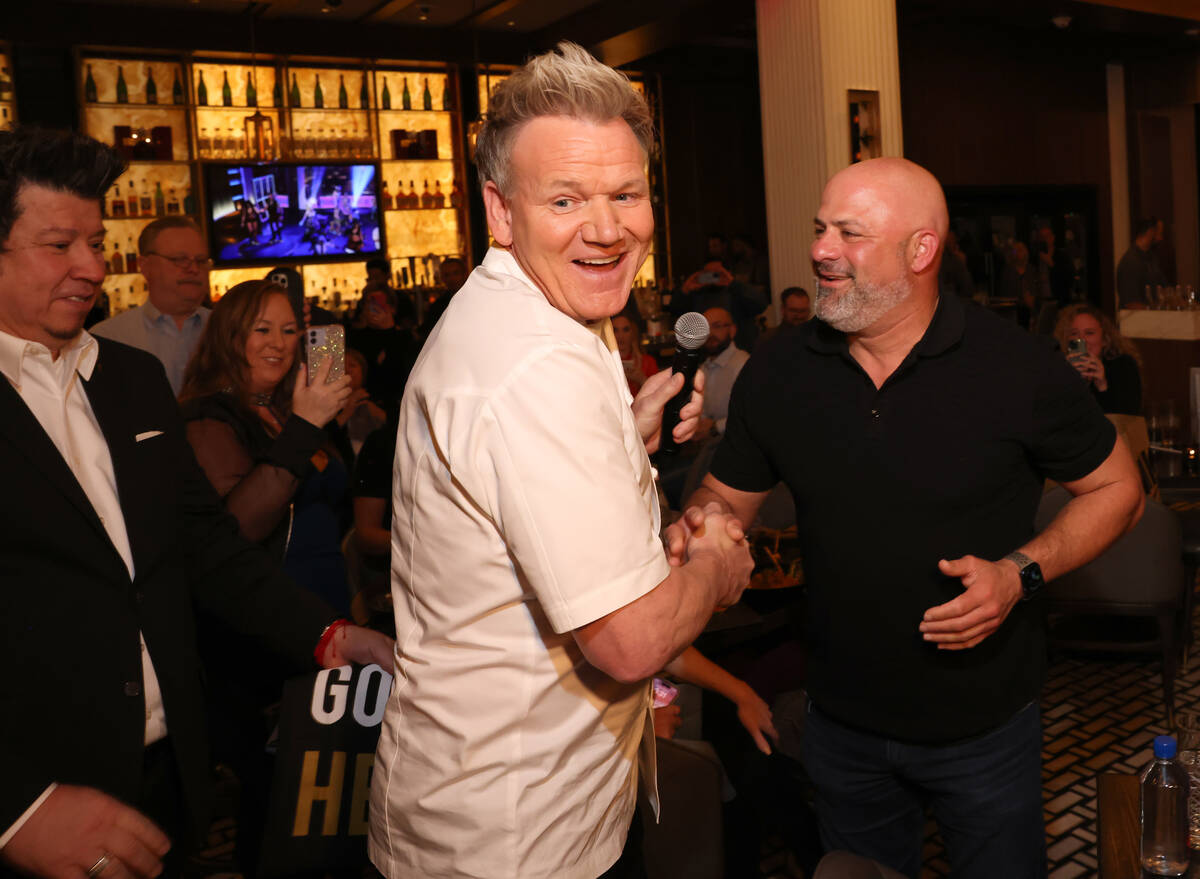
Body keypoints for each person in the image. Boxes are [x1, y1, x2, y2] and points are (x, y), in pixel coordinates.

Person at [670, 157, 1144, 878]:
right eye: (821, 229)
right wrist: (702, 528)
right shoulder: (782, 367)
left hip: (984, 727)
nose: (822, 250)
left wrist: (1019, 575)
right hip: (841, 725)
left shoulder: (1013, 366)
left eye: (850, 234)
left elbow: (1120, 486)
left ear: (920, 250)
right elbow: (723, 499)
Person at [368, 42, 755, 879]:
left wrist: (623, 434)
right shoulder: (536, 362)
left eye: (626, 194)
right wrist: (719, 565)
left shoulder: (536, 314)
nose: (608, 228)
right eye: (567, 199)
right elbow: (629, 640)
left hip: (510, 810)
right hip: (516, 839)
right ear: (501, 211)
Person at [0, 127, 391, 879]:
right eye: (58, 245)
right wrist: (18, 805)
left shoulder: (131, 378)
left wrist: (332, 635)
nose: (90, 265)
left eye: (95, 240)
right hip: (39, 802)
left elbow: (207, 549)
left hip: (168, 779)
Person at [179, 279, 354, 614]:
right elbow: (238, 527)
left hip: (327, 592)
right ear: (229, 336)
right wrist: (304, 427)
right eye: (262, 330)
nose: (278, 343)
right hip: (268, 610)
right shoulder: (205, 416)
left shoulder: (289, 409)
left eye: (289, 331)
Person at [91, 216, 211, 395]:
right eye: (180, 259)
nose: (193, 269)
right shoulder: (106, 339)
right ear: (145, 266)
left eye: (201, 261)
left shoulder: (231, 330)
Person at [1054, 303, 1143, 416]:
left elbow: (1126, 417)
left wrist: (1102, 386)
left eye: (1089, 333)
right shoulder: (1058, 367)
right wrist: (1066, 379)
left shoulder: (1123, 365)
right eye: (1074, 334)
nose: (1081, 340)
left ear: (1105, 339)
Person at [698, 306, 749, 438]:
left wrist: (715, 427)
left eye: (717, 326)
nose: (710, 334)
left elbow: (754, 413)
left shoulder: (743, 364)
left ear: (732, 330)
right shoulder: (703, 368)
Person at [1115, 217, 1168, 309]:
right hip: (1137, 320)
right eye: (1159, 233)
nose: (1161, 238)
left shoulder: (1151, 258)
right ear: (1150, 231)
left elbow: (1164, 289)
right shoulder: (1131, 262)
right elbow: (1131, 302)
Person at [416, 255, 469, 339]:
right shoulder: (438, 305)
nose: (452, 279)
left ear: (465, 274)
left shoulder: (476, 298)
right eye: (447, 275)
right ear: (442, 278)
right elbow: (428, 330)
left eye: (456, 273)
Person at [613, 311, 659, 395]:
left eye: (626, 330)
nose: (620, 336)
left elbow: (658, 395)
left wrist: (641, 379)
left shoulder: (648, 362)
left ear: (633, 333)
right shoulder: (604, 362)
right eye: (615, 330)